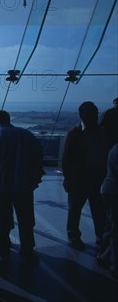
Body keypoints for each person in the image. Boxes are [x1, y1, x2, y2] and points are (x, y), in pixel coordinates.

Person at [0, 110, 43, 263]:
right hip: (24, 186)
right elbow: (38, 157)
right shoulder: (26, 135)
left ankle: (2, 247)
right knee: (26, 219)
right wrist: (35, 179)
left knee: (2, 219)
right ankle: (27, 249)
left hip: (1, 186)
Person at [62, 101, 110, 250]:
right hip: (85, 178)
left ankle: (77, 235)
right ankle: (91, 237)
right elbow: (67, 159)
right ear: (83, 115)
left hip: (91, 178)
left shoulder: (76, 133)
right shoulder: (99, 133)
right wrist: (68, 178)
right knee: (80, 209)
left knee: (90, 210)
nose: (93, 118)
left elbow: (67, 159)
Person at [100, 143, 118, 278]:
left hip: (109, 189)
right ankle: (115, 264)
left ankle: (105, 256)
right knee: (115, 229)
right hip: (114, 191)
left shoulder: (114, 148)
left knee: (110, 224)